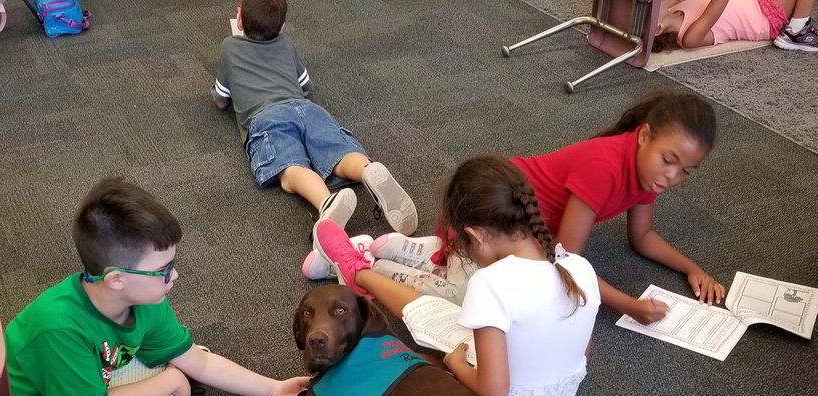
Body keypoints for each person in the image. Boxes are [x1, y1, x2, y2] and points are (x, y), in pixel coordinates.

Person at [309, 93, 722, 328]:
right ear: (643, 136)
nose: (672, 177)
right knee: (459, 304)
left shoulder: (648, 173)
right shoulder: (604, 166)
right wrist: (630, 306)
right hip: (490, 218)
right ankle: (357, 264)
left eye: (686, 171)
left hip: (504, 228)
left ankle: (406, 247)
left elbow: (642, 236)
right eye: (668, 160)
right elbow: (567, 263)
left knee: (478, 287)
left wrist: (691, 269)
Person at [3, 176, 310, 396]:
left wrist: (273, 388)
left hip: (93, 382)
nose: (174, 276)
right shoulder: (58, 328)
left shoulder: (147, 300)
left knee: (180, 362)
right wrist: (171, 382)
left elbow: (198, 360)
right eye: (162, 271)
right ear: (116, 279)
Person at [313, 156, 600, 396]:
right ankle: (373, 270)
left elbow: (494, 391)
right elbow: (582, 351)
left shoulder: (490, 283)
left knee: (417, 349)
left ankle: (358, 271)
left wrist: (457, 364)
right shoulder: (579, 267)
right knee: (452, 319)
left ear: (475, 236)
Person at [210, 0, 418, 254]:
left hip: (267, 117)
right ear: (283, 26)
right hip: (306, 109)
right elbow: (305, 86)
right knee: (336, 152)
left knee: (289, 168)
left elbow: (221, 100)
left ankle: (326, 202)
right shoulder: (286, 44)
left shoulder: (229, 47)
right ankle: (367, 169)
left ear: (239, 19)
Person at [655, 0, 818, 52]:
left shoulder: (674, 7)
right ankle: (796, 31)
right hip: (764, 18)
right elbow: (714, 9)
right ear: (658, 28)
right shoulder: (689, 38)